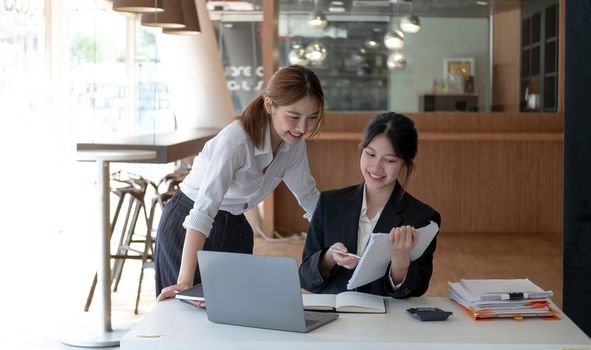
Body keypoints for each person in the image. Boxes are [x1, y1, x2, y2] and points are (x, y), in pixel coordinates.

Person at [155, 65, 325, 301]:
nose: (303, 128)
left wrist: (340, 240)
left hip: (233, 223)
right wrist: (185, 280)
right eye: (294, 116)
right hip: (189, 225)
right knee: (186, 315)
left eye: (312, 117)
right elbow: (203, 210)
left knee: (234, 312)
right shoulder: (236, 140)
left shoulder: (294, 146)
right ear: (269, 106)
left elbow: (309, 197)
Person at [299, 112, 441, 298]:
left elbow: (417, 290)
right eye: (370, 154)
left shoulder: (422, 218)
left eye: (390, 160)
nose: (376, 167)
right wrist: (329, 257)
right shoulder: (329, 203)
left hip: (385, 321)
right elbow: (306, 279)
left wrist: (400, 264)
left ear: (404, 164)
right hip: (333, 317)